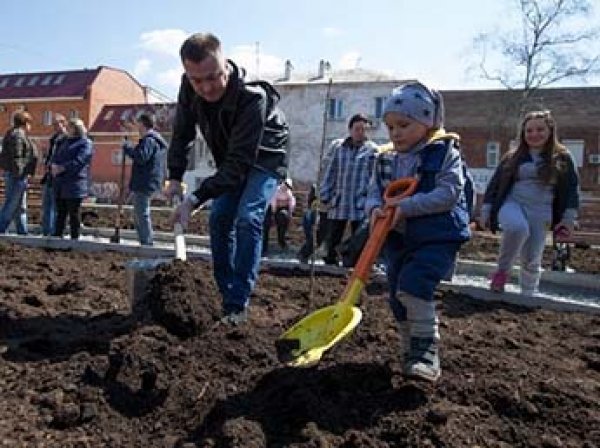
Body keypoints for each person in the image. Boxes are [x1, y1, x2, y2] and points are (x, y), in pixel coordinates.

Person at [166, 32, 289, 325]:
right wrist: (174, 176)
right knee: (219, 218)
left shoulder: (252, 98)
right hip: (231, 158)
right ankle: (226, 294)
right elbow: (182, 131)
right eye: (197, 80)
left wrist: (193, 200)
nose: (206, 87)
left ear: (226, 65)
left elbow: (238, 166)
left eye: (213, 77)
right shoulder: (189, 86)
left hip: (266, 155)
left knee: (247, 217)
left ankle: (237, 304)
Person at [365, 82, 471, 382]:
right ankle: (410, 349)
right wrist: (374, 210)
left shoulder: (443, 153)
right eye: (390, 127)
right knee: (398, 296)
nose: (395, 133)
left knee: (414, 285)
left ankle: (427, 351)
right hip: (398, 237)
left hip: (437, 236)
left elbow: (448, 193)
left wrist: (406, 207)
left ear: (427, 124)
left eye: (403, 124)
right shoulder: (385, 158)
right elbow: (374, 192)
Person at [479, 110, 579, 296]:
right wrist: (486, 210)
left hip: (542, 211)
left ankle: (528, 294)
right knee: (518, 228)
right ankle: (501, 273)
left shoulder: (563, 158)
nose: (534, 134)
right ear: (523, 134)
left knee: (532, 256)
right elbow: (494, 184)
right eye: (529, 131)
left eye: (540, 129)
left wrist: (568, 218)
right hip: (512, 204)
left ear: (550, 131)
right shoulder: (512, 156)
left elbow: (571, 189)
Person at [320, 113, 378, 265]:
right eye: (357, 129)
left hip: (360, 200)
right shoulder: (339, 148)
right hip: (340, 198)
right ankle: (330, 263)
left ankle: (351, 264)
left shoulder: (373, 150)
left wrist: (372, 198)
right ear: (350, 129)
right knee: (333, 235)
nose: (361, 132)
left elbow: (375, 177)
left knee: (359, 237)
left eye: (364, 129)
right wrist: (325, 193)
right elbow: (331, 171)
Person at [122, 113, 167, 246]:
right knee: (139, 212)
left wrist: (128, 148)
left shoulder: (149, 140)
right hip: (147, 181)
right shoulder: (152, 140)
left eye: (138, 123)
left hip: (145, 182)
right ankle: (145, 241)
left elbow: (141, 157)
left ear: (142, 124)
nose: (136, 126)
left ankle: (147, 243)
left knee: (141, 213)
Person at [51, 118, 94, 240]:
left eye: (69, 127)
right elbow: (56, 156)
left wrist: (63, 168)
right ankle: (57, 237)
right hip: (60, 184)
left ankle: (75, 239)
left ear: (76, 129)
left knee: (74, 213)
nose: (66, 129)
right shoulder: (65, 142)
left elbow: (80, 161)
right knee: (61, 213)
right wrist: (54, 166)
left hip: (75, 184)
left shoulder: (85, 143)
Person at [0, 111, 38, 234]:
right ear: (25, 123)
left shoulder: (14, 134)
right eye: (29, 123)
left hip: (15, 174)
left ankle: (23, 232)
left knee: (20, 206)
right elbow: (17, 157)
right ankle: (1, 229)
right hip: (17, 176)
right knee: (11, 204)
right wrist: (20, 175)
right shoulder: (18, 135)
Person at [41, 114, 68, 236]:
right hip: (49, 175)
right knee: (47, 204)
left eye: (57, 124)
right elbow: (50, 155)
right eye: (54, 124)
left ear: (64, 123)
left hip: (59, 176)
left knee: (56, 206)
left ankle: (55, 231)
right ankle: (46, 230)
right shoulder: (54, 139)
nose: (55, 127)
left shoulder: (67, 139)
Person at [297, 183, 331, 263]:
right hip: (323, 210)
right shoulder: (318, 187)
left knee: (327, 235)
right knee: (319, 235)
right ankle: (303, 254)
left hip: (329, 209)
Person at [262, 178, 296, 254]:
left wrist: (290, 213)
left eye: (288, 186)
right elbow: (273, 201)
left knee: (283, 218)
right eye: (285, 184)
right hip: (272, 208)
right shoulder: (276, 190)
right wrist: (273, 213)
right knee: (266, 223)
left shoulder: (288, 192)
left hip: (283, 209)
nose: (286, 187)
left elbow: (291, 202)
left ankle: (282, 242)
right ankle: (264, 247)